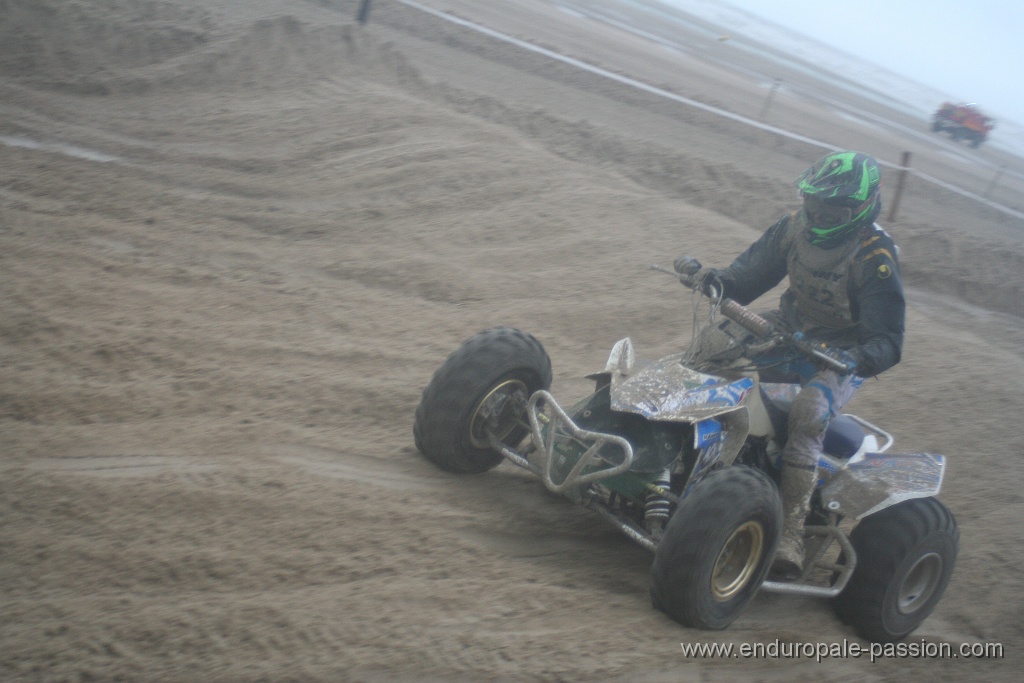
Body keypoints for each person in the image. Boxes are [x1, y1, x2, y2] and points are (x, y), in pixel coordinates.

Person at [674, 150, 905, 578]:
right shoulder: (794, 226)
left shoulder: (875, 256)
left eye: (830, 208)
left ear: (858, 208)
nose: (818, 213)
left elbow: (888, 341)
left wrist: (855, 358)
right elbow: (748, 276)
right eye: (813, 202)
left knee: (808, 412)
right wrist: (715, 279)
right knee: (710, 347)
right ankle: (672, 449)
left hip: (839, 351)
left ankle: (792, 534)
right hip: (787, 325)